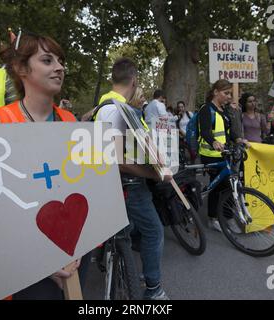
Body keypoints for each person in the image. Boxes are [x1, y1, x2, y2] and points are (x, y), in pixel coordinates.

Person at [0, 32, 89, 300]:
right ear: (21, 69)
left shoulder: (70, 121)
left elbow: (81, 187)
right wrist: (43, 262)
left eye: (61, 60)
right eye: (47, 60)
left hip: (72, 252)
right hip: (23, 261)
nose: (60, 67)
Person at [95, 58, 172, 300]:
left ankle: (117, 262)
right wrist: (154, 172)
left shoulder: (103, 107)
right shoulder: (118, 110)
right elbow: (118, 160)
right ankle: (154, 289)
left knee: (128, 229)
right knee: (154, 231)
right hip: (130, 184)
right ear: (134, 80)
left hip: (111, 183)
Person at [198, 79, 243, 232]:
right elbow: (205, 132)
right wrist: (214, 142)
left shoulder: (223, 111)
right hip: (210, 154)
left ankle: (226, 217)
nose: (229, 96)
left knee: (228, 185)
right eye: (226, 93)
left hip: (224, 153)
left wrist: (238, 140)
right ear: (215, 92)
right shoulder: (206, 109)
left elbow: (227, 133)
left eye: (230, 93)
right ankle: (214, 218)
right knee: (220, 187)